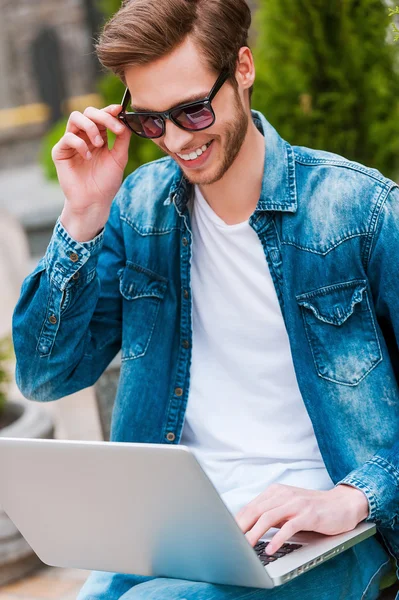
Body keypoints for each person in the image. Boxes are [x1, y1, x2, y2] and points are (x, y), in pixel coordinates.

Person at [12, 0, 399, 598]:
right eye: (150, 121)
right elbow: (44, 376)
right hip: (175, 526)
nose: (174, 139)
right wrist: (83, 216)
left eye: (192, 110)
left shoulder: (359, 212)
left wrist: (356, 497)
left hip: (324, 535)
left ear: (243, 68)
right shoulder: (138, 211)